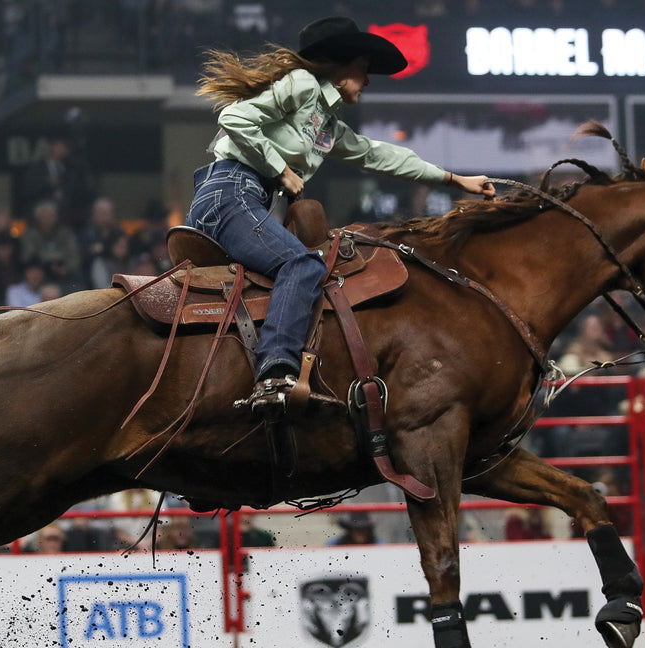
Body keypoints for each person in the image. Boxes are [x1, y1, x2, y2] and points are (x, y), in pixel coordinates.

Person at [192, 16, 494, 412]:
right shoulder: (301, 84)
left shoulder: (327, 126)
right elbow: (234, 118)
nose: (367, 81)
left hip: (239, 196)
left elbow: (377, 155)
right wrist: (280, 169)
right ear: (339, 64)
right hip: (231, 191)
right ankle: (274, 374)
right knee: (302, 265)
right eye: (363, 69)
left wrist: (454, 179)